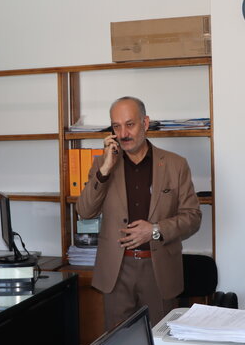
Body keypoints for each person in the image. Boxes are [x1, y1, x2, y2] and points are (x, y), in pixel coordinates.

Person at [77, 96, 201, 329]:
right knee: (118, 344)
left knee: (160, 342)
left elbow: (192, 217)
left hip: (158, 269)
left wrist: (154, 230)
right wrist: (105, 170)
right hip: (116, 271)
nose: (123, 133)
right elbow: (85, 211)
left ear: (145, 123)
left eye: (130, 124)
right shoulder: (102, 165)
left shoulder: (175, 164)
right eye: (116, 126)